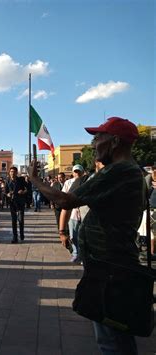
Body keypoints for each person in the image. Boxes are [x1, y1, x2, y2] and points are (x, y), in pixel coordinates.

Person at [28, 117, 144, 354]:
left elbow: (65, 200)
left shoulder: (119, 171)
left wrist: (34, 180)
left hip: (111, 266)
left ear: (114, 142)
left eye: (98, 137)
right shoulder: (127, 171)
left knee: (112, 340)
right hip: (108, 264)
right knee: (113, 334)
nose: (93, 144)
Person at [59, 164, 85, 263]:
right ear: (73, 173)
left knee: (82, 235)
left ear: (82, 172)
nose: (77, 173)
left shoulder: (87, 182)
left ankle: (82, 255)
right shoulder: (68, 183)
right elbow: (64, 197)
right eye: (75, 171)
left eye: (79, 171)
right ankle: (75, 253)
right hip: (72, 213)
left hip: (84, 214)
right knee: (73, 235)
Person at [5, 166, 27, 243]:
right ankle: (15, 237)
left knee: (20, 220)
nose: (12, 173)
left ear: (16, 173)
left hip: (20, 202)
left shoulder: (21, 180)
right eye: (11, 171)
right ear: (9, 172)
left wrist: (23, 191)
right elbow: (5, 191)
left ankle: (21, 234)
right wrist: (8, 194)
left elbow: (27, 189)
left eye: (14, 172)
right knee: (14, 220)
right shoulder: (7, 181)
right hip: (12, 203)